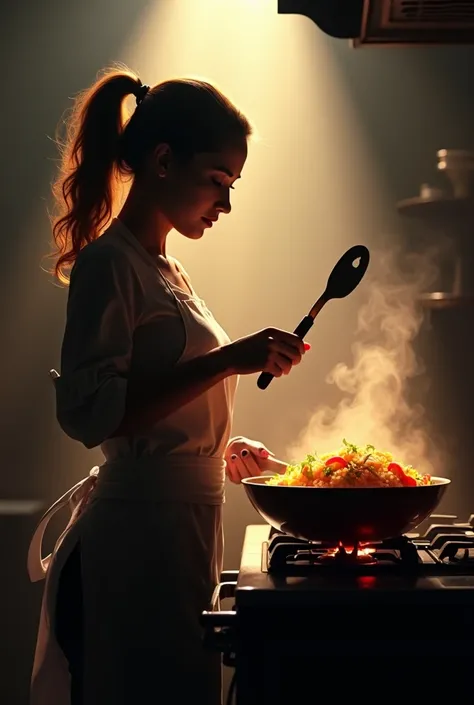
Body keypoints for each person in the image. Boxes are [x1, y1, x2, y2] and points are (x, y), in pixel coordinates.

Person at [28, 67, 309, 705]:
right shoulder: (110, 264)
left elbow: (157, 398)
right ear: (162, 160)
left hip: (179, 527)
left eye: (232, 185)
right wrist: (224, 362)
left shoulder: (168, 268)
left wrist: (214, 444)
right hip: (133, 542)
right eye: (218, 181)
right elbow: (94, 414)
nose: (226, 202)